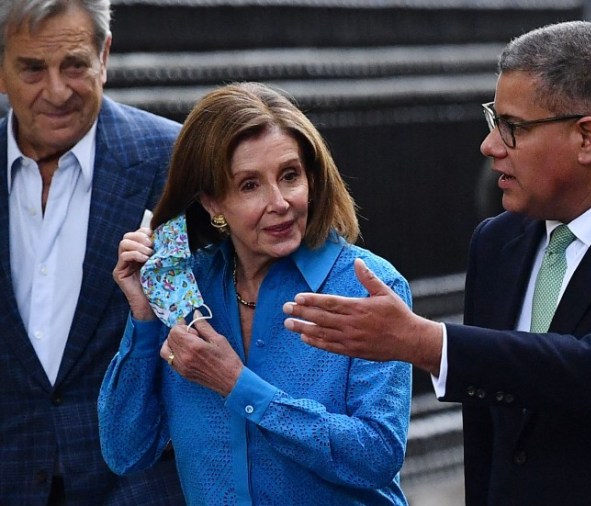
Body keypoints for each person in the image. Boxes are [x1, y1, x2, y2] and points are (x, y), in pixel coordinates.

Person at [283, 21, 591, 505]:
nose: (490, 146)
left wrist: (424, 342)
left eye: (512, 128)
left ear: (587, 138)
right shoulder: (499, 241)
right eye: (494, 122)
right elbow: (493, 427)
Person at [98, 82, 412, 505]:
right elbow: (124, 451)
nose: (279, 202)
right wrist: (142, 317)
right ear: (212, 203)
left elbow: (377, 454)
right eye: (250, 185)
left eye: (290, 175)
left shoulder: (367, 285)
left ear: (313, 178)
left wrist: (238, 386)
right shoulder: (183, 288)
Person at [0, 0, 184, 503]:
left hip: (138, 485)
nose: (56, 91)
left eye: (74, 65)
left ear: (105, 55)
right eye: (33, 68)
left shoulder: (171, 162)